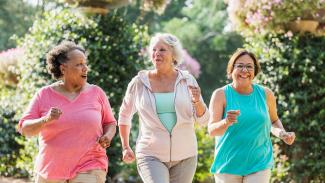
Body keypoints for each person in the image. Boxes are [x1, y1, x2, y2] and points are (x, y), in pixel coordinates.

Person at [18, 41, 117, 183]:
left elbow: (110, 122)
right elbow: (25, 129)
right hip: (51, 170)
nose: (85, 68)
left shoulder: (96, 93)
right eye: (79, 64)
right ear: (63, 69)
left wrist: (107, 135)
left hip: (90, 165)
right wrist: (45, 120)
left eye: (85, 63)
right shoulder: (44, 94)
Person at [118, 33, 210, 183]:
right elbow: (124, 115)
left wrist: (197, 101)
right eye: (154, 50)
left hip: (185, 155)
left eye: (162, 50)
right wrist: (125, 146)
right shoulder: (139, 82)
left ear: (174, 54)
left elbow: (203, 120)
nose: (157, 54)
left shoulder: (187, 80)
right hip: (150, 154)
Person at [208, 48, 296, 183]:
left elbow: (273, 121)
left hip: (259, 164)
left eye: (249, 66)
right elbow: (212, 130)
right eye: (240, 66)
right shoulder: (220, 95)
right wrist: (226, 122)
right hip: (228, 165)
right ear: (231, 69)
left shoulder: (266, 94)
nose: (245, 70)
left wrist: (282, 134)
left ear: (254, 71)